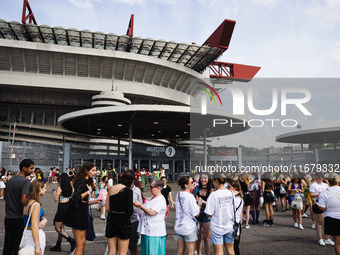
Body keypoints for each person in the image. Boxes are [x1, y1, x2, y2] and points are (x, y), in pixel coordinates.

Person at [64, 162, 100, 255]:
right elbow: (76, 198)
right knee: (80, 244)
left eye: (95, 170)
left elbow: (83, 201)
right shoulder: (81, 181)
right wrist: (89, 191)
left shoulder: (86, 181)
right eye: (93, 170)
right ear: (86, 171)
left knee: (82, 243)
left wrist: (95, 201)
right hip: (78, 213)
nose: (95, 172)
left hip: (81, 211)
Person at [3, 159, 34, 255]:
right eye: (31, 168)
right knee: (18, 246)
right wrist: (33, 203)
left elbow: (5, 196)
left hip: (8, 217)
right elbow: (23, 200)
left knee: (8, 245)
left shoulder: (10, 180)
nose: (32, 170)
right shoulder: (25, 181)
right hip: (19, 218)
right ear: (24, 168)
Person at [133, 180, 167, 255]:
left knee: (152, 251)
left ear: (158, 188)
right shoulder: (153, 197)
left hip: (154, 231)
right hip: (147, 230)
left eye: (151, 187)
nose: (149, 188)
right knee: (146, 251)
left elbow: (152, 212)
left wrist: (140, 206)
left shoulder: (160, 199)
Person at [205, 174, 235, 255]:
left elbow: (208, 213)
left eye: (213, 181)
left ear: (216, 181)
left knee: (219, 252)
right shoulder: (230, 192)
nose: (212, 183)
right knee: (231, 250)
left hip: (217, 227)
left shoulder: (213, 195)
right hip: (229, 225)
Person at [105, 170, 134, 255]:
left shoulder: (111, 188)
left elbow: (107, 208)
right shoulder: (128, 191)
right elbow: (129, 212)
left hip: (111, 218)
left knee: (111, 250)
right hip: (123, 220)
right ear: (131, 180)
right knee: (122, 252)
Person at [175, 176, 201, 255]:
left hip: (180, 225)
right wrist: (199, 203)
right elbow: (196, 214)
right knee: (191, 252)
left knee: (180, 251)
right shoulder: (190, 196)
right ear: (186, 185)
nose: (194, 184)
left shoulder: (179, 194)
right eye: (192, 182)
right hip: (189, 227)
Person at [50, 173, 76, 252]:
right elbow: (71, 196)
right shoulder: (71, 187)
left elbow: (55, 199)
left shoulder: (60, 187)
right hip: (68, 207)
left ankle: (71, 240)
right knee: (61, 226)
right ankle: (58, 245)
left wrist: (55, 195)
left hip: (62, 207)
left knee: (57, 227)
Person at [21, 179, 47, 255]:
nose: (46, 190)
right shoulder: (36, 204)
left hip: (27, 234)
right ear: (39, 188)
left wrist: (43, 219)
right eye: (45, 188)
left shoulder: (28, 201)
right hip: (34, 237)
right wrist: (37, 245)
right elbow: (34, 226)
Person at [317, 173, 340, 255]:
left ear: (327, 181)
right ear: (338, 181)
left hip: (332, 218)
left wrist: (329, 207)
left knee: (337, 243)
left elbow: (321, 207)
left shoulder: (324, 192)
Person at [309, 173, 334, 246]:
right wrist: (319, 194)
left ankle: (327, 239)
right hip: (317, 204)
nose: (320, 179)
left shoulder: (325, 185)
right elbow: (311, 194)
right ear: (316, 177)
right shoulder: (313, 185)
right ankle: (320, 239)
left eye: (322, 177)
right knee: (319, 222)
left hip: (327, 204)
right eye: (319, 177)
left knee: (328, 221)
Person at [193, 173, 213, 255]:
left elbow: (212, 204)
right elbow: (192, 200)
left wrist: (202, 202)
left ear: (208, 179)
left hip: (206, 214)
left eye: (205, 178)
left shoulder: (211, 190)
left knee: (206, 237)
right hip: (197, 214)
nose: (203, 179)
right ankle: (199, 253)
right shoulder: (196, 189)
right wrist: (196, 201)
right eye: (201, 178)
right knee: (198, 236)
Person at [228, 179, 244, 255]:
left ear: (235, 189)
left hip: (234, 225)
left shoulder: (236, 199)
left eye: (229, 187)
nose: (227, 189)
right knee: (234, 247)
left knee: (234, 247)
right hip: (237, 224)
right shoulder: (239, 199)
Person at [129, 178, 143, 255]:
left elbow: (140, 203)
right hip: (123, 220)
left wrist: (141, 219)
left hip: (134, 220)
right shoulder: (121, 188)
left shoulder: (137, 190)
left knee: (133, 245)